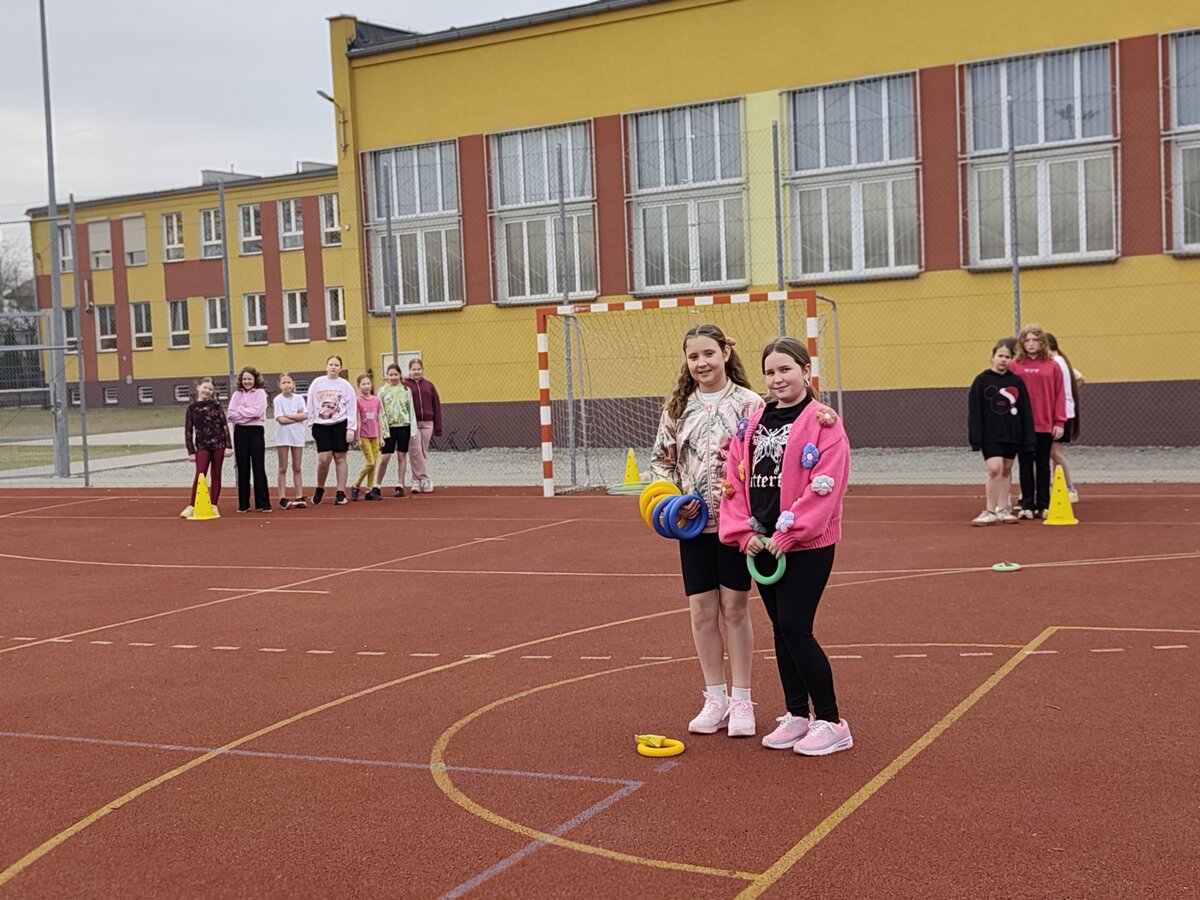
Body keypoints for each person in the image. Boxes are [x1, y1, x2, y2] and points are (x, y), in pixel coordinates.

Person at [721, 336, 853, 756]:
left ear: (805, 371)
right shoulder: (753, 422)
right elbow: (733, 479)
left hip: (805, 545)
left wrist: (788, 534)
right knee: (780, 628)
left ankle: (831, 720)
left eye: (785, 369)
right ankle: (797, 713)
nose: (777, 378)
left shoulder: (824, 422)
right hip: (762, 545)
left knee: (796, 626)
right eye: (770, 372)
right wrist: (745, 533)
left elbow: (826, 485)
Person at [650, 323, 764, 738]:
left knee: (734, 608)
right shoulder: (678, 408)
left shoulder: (750, 404)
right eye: (694, 356)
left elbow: (765, 461)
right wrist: (676, 500)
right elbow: (661, 463)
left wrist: (753, 512)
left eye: (708, 354)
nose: (702, 363)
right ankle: (715, 698)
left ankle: (742, 699)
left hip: (736, 526)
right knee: (701, 611)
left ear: (725, 354)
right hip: (692, 527)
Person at [967, 340, 1035, 525]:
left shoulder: (1016, 382)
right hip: (990, 434)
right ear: (993, 357)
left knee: (1006, 470)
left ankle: (1003, 509)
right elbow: (975, 410)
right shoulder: (981, 380)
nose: (1003, 360)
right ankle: (990, 510)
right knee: (994, 469)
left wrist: (1027, 436)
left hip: (1011, 433)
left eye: (1007, 357)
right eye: (1000, 356)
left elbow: (1025, 410)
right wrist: (975, 437)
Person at [1009, 324, 1066, 519]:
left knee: (1043, 464)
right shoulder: (1015, 365)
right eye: (1027, 340)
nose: (1031, 344)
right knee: (1025, 464)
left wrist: (1059, 422)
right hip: (1022, 424)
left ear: (1042, 342)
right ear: (1022, 343)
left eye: (1035, 340)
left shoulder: (1052, 365)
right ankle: (1027, 504)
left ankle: (1044, 504)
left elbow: (1060, 394)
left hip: (1045, 422)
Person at [306, 355, 358, 506]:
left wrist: (351, 428)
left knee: (340, 458)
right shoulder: (317, 383)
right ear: (326, 366)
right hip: (321, 425)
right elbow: (310, 403)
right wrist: (311, 422)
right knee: (324, 459)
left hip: (340, 424)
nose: (333, 367)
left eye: (336, 365)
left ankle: (340, 492)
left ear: (340, 368)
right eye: (331, 364)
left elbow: (351, 407)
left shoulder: (345, 385)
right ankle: (320, 488)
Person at [182, 376, 231, 518]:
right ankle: (192, 505)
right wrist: (191, 451)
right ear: (198, 388)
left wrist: (228, 445)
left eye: (210, 389)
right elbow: (188, 430)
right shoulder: (192, 408)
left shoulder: (216, 406)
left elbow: (224, 425)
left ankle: (213, 505)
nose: (207, 391)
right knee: (200, 474)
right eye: (205, 387)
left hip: (218, 444)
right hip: (202, 446)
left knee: (216, 474)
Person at [227, 366, 271, 513]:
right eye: (244, 379)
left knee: (258, 466)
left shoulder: (261, 393)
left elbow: (258, 412)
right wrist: (248, 415)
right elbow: (230, 415)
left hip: (256, 431)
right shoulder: (236, 395)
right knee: (242, 467)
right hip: (240, 432)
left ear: (255, 379)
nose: (247, 381)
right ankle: (244, 504)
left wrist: (241, 411)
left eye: (249, 379)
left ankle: (263, 503)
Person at [1046, 333, 1083, 503]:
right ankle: (1059, 486)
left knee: (1055, 453)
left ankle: (1069, 487)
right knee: (1056, 453)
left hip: (1061, 413)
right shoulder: (1062, 361)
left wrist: (1066, 395)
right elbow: (1080, 377)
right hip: (1065, 411)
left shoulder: (1055, 362)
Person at [377, 362, 416, 497]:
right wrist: (382, 430)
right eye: (390, 375)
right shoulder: (382, 391)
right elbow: (380, 411)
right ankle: (377, 484)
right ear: (387, 376)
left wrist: (413, 428)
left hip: (404, 426)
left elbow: (411, 409)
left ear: (400, 375)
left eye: (395, 374)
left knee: (402, 455)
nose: (393, 377)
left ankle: (400, 484)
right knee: (385, 458)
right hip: (389, 428)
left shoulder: (406, 390)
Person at [404, 358, 442, 493]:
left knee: (423, 452)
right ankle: (420, 480)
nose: (416, 372)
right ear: (409, 370)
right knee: (415, 451)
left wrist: (438, 428)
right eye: (414, 369)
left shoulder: (429, 386)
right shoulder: (405, 386)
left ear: (422, 370)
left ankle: (418, 480)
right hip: (412, 423)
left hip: (427, 423)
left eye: (418, 369)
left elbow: (436, 405)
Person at [272, 373, 307, 509]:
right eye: (284, 383)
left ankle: (299, 496)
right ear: (279, 385)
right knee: (283, 467)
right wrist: (296, 417)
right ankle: (282, 497)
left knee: (297, 467)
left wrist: (289, 416)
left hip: (297, 435)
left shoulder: (299, 398)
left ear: (293, 384)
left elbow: (305, 415)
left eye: (289, 382)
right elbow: (281, 420)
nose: (287, 385)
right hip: (283, 436)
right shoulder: (277, 400)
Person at [351, 374, 383, 501]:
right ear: (359, 386)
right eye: (363, 384)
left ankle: (369, 490)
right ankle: (356, 485)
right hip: (364, 435)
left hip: (375, 435)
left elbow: (379, 419)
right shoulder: (358, 401)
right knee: (370, 463)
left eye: (368, 383)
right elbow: (358, 419)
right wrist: (358, 438)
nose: (366, 386)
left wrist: (381, 436)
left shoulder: (377, 400)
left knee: (373, 464)